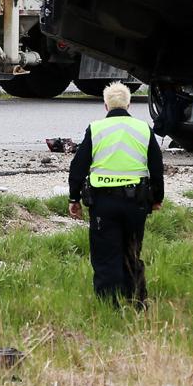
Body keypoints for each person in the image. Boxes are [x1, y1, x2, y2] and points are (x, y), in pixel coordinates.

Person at [67, 81, 164, 308]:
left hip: (104, 204)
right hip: (136, 203)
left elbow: (78, 166)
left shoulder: (97, 129)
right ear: (129, 104)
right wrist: (157, 198)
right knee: (132, 251)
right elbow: (157, 167)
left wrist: (74, 198)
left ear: (105, 105)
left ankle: (109, 305)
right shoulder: (143, 129)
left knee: (105, 255)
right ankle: (137, 302)